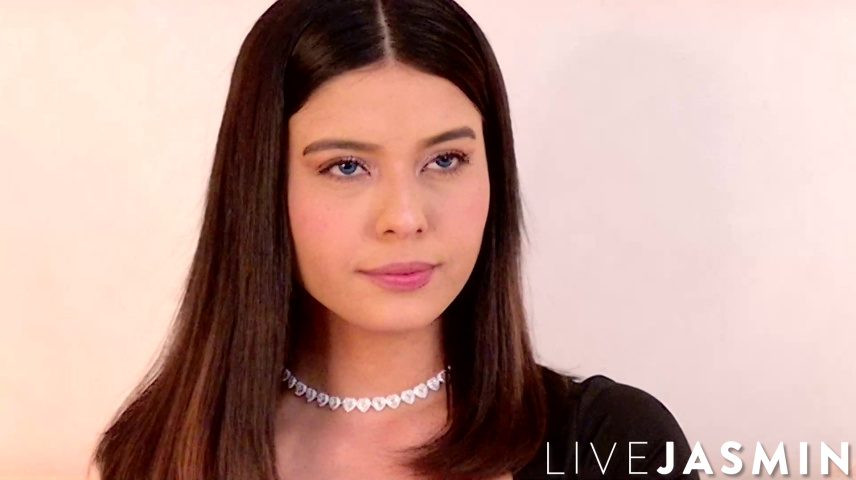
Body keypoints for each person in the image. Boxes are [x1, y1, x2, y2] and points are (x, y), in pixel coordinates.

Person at [90, 0, 698, 479]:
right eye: (346, 166)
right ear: (261, 187)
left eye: (446, 160)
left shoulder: (614, 445)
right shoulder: (155, 452)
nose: (405, 218)